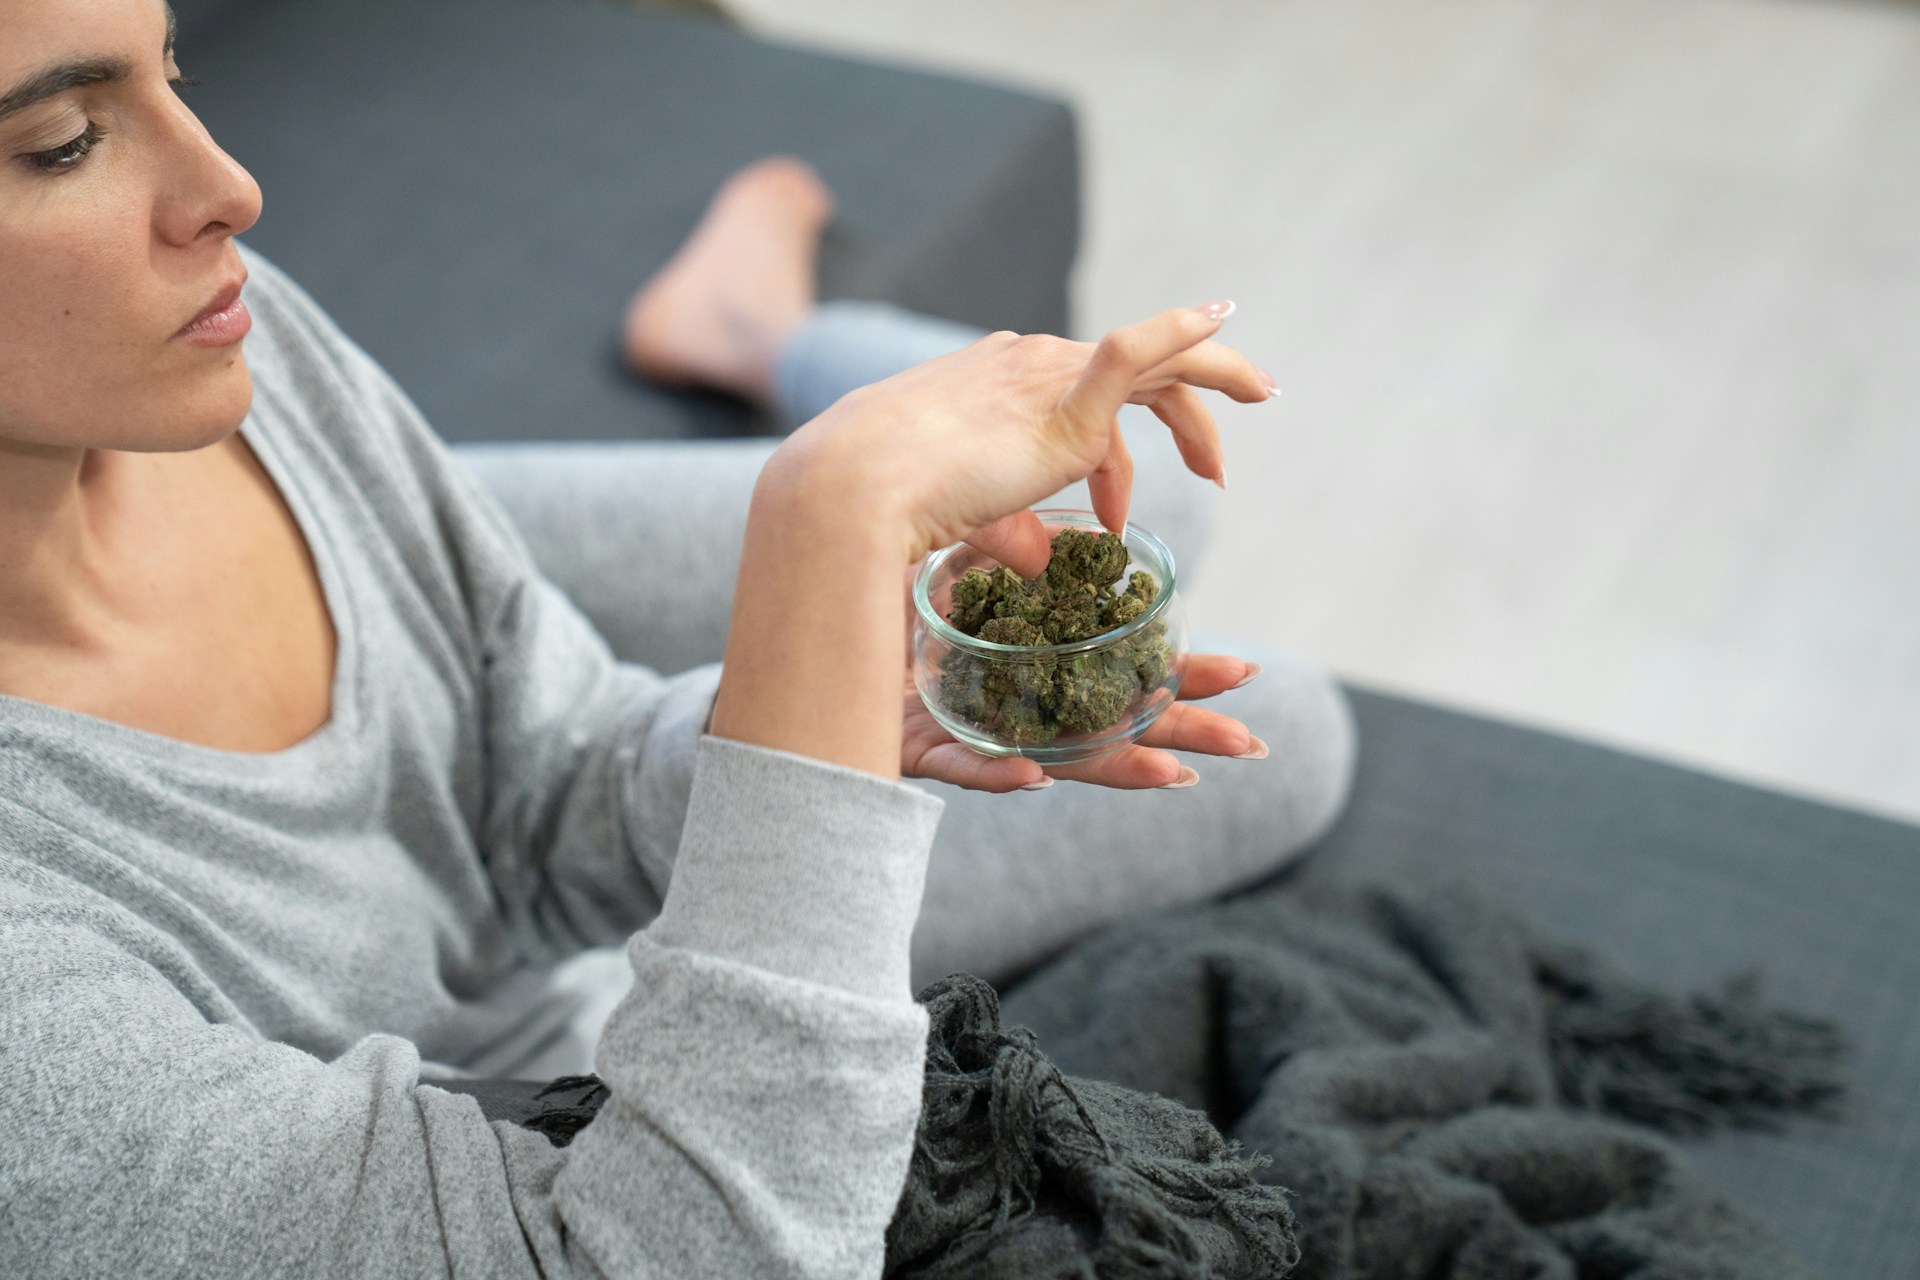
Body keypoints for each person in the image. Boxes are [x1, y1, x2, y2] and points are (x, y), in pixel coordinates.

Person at [0, 1, 1355, 1275]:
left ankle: (761, 326)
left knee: (1150, 521)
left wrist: (830, 700)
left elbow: (543, 779)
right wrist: (826, 558)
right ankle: (766, 338)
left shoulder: (218, 344)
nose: (229, 187)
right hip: (549, 1079)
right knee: (1264, 709)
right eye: (63, 144)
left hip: (356, 569)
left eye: (173, 70)